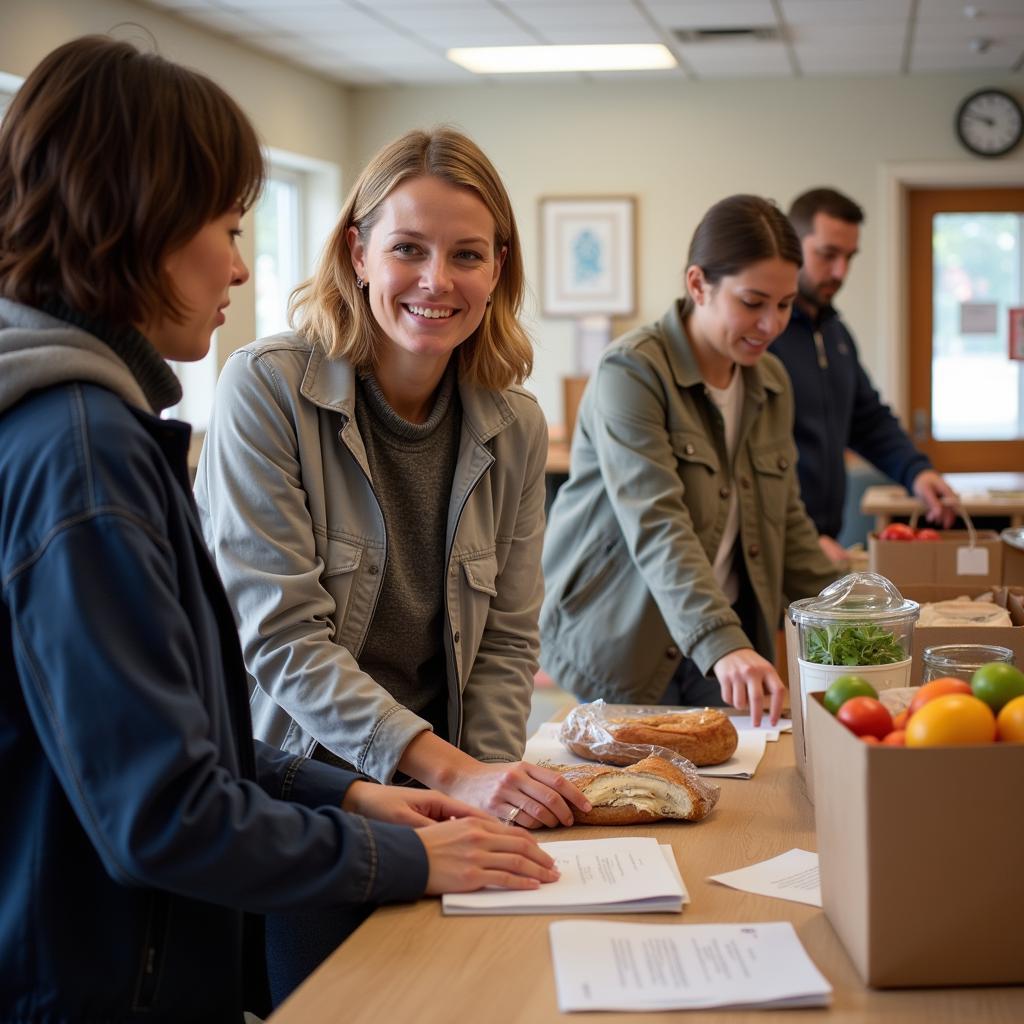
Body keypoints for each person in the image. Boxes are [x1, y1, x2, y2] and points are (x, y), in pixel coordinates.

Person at [0, 38, 558, 1022]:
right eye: (225, 223)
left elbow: (181, 739)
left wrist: (363, 796)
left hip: (303, 835)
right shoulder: (88, 450)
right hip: (106, 968)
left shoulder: (108, 428)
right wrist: (397, 819)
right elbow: (166, 801)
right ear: (140, 226)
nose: (241, 262)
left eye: (468, 253)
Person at [195, 126, 589, 992]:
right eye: (408, 248)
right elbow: (282, 641)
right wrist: (459, 778)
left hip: (439, 790)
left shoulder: (512, 423)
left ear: (499, 268)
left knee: (472, 991)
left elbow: (507, 642)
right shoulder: (266, 389)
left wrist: (486, 792)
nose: (436, 281)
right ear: (358, 252)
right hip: (304, 795)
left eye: (468, 255)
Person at [540, 195, 839, 725]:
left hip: (721, 637)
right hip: (623, 639)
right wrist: (721, 643)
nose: (771, 324)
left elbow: (787, 522)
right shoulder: (631, 373)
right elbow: (658, 523)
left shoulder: (769, 382)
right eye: (753, 302)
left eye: (786, 304)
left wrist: (847, 614)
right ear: (698, 284)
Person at [772, 187, 956, 562]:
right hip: (778, 541)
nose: (840, 272)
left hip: (824, 542)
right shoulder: (764, 336)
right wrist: (798, 536)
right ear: (792, 245)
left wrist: (916, 471)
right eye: (828, 255)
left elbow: (867, 419)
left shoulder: (836, 334)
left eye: (849, 257)